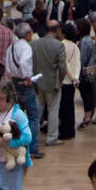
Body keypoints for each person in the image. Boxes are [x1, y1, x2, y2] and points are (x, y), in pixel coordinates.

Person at [4, 21, 42, 159]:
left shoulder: (11, 47)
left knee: (16, 116)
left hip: (13, 83)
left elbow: (7, 67)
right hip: (24, 83)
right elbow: (24, 62)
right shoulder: (26, 47)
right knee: (33, 115)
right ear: (27, 34)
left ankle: (16, 145)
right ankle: (32, 147)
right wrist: (27, 78)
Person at [31, 19, 68, 149]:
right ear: (57, 30)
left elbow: (32, 63)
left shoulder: (35, 44)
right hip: (53, 83)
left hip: (37, 81)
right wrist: (61, 80)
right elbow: (63, 67)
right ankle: (52, 137)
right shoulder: (59, 45)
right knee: (53, 110)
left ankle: (32, 138)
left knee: (36, 112)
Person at [57, 20, 81, 141]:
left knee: (62, 107)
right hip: (73, 82)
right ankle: (70, 130)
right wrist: (75, 78)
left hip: (63, 80)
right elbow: (77, 64)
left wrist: (70, 77)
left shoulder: (61, 45)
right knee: (70, 106)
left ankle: (64, 131)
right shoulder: (76, 47)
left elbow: (63, 64)